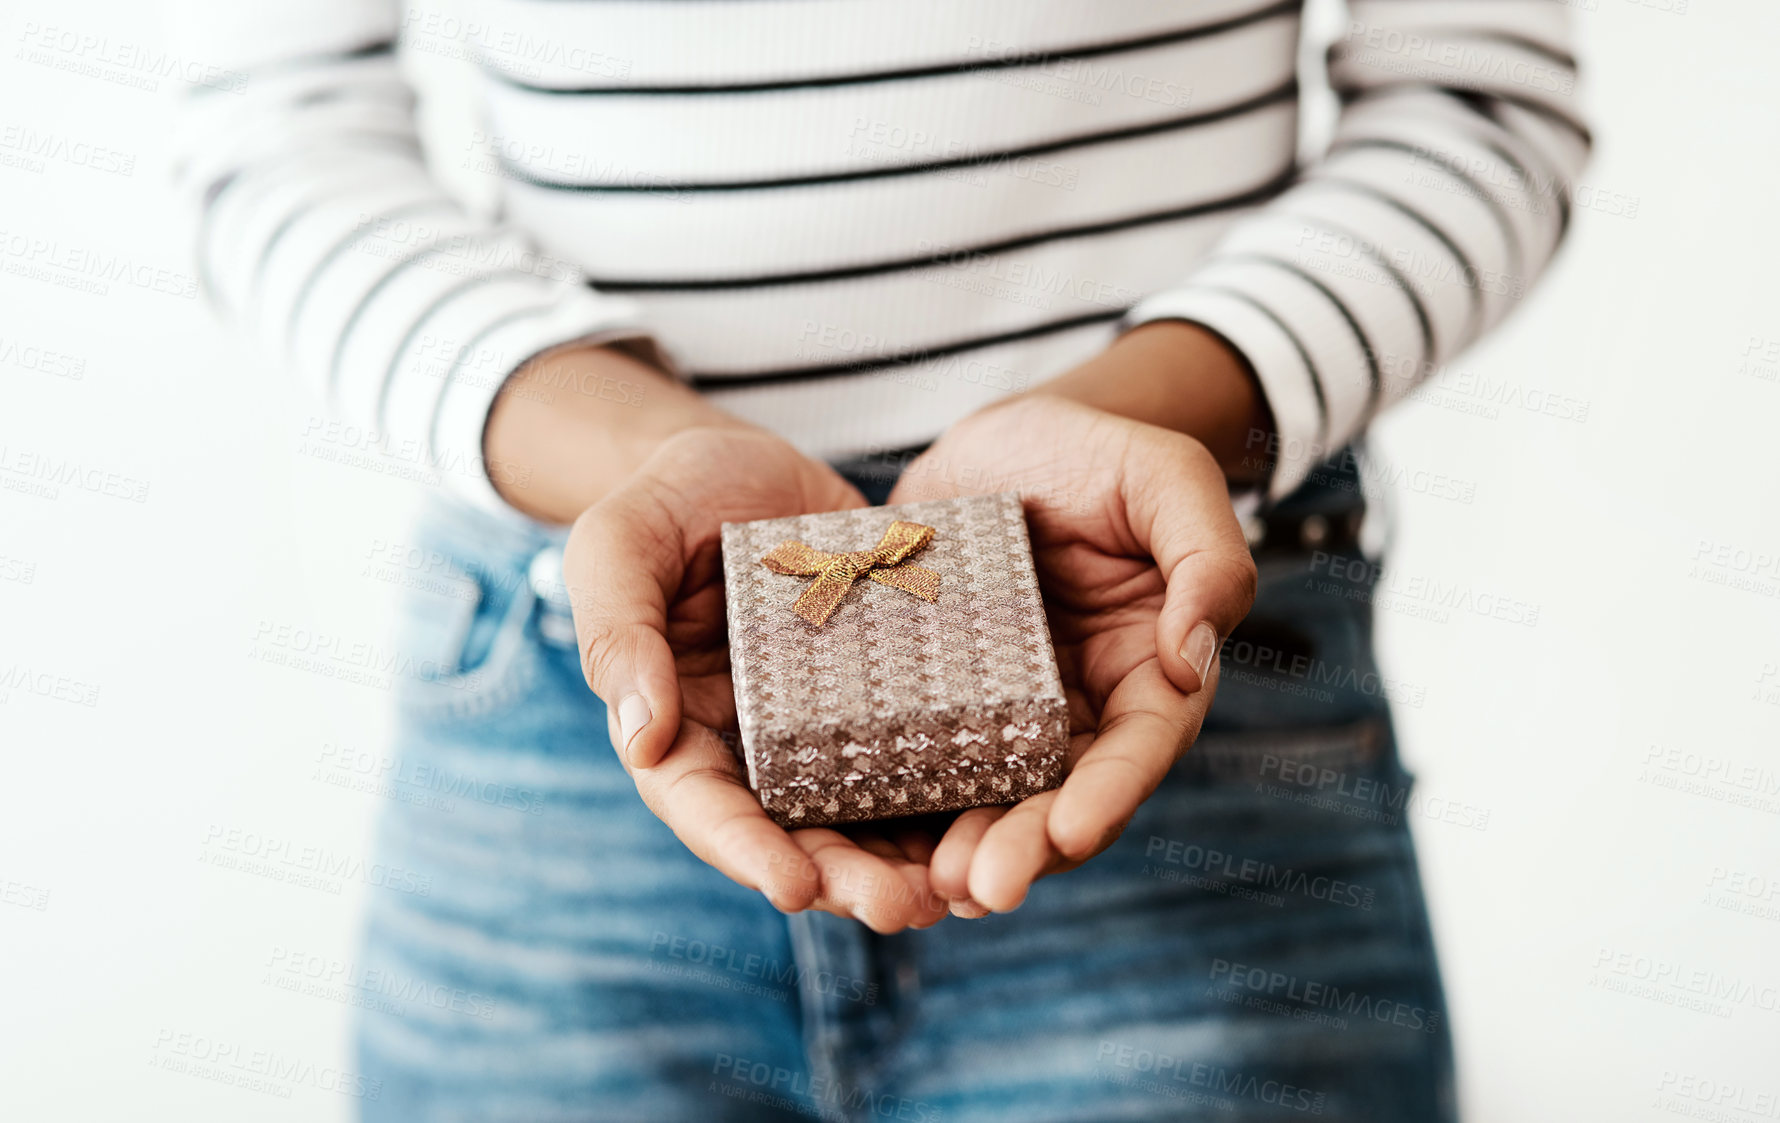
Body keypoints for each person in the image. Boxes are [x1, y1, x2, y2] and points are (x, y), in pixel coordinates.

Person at [175, 1, 1587, 1118]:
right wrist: (632, 456)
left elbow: (1478, 101)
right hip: (578, 674)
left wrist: (1128, 421)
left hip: (1159, 642)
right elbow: (276, 134)